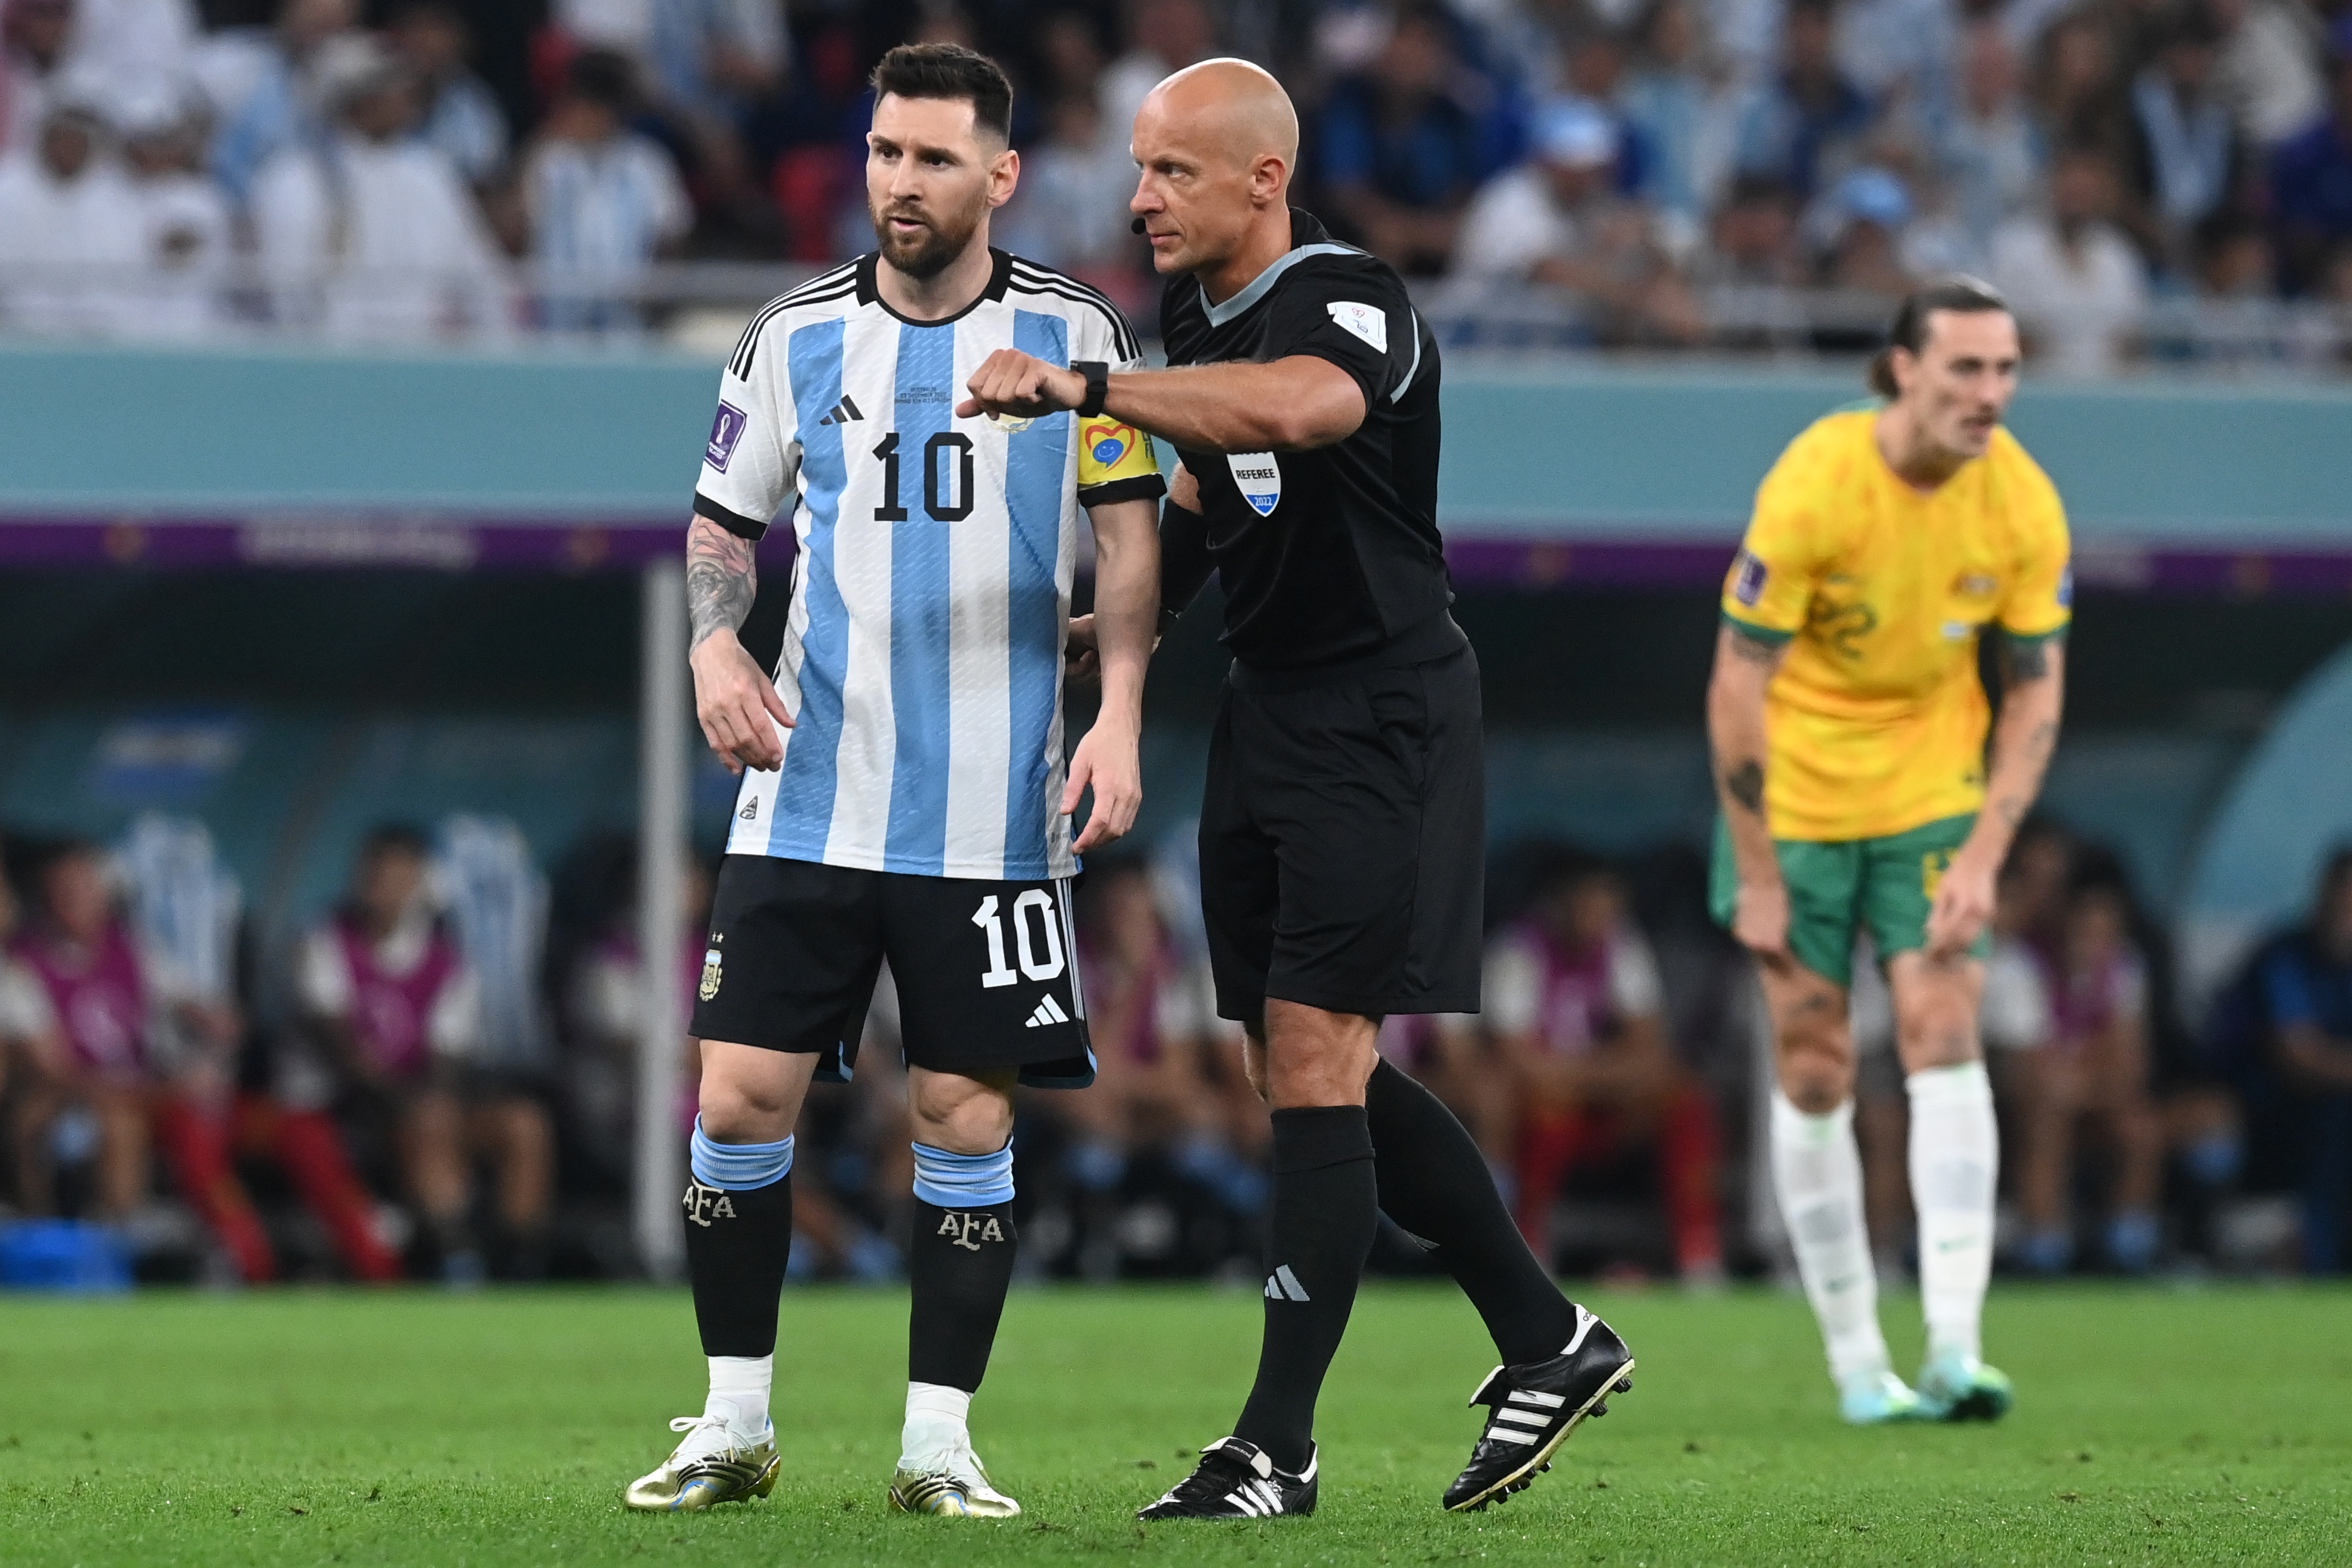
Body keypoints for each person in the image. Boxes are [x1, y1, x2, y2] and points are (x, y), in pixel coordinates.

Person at [961, 57, 1633, 1520]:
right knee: (1290, 1062)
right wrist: (1109, 632)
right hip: (1273, 711)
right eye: (1137, 169)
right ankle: (1547, 1333)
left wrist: (1086, 385)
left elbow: (1304, 411)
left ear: (1263, 178)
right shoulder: (1193, 311)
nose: (1137, 197)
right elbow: (1208, 498)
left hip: (1380, 715)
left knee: (1319, 1059)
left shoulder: (1344, 297)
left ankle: (1273, 1444)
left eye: (1170, 173)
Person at [621, 42, 1164, 1519]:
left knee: (964, 1115)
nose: (897, 182)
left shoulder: (1077, 332)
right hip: (808, 787)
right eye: (880, 153)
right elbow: (722, 523)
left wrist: (1117, 713)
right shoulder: (791, 334)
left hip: (994, 802)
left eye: (931, 158)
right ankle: (733, 1419)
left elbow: (1127, 538)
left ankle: (937, 1441)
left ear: (999, 175)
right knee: (736, 1093)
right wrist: (712, 653)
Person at [1707, 276, 2071, 1424]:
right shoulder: (1817, 478)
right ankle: (1860, 1366)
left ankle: (1955, 1345)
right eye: (1965, 368)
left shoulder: (2019, 504)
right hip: (1799, 802)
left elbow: (2032, 693)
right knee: (1814, 1061)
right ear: (1901, 368)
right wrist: (1756, 871)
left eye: (2004, 369)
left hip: (1930, 794)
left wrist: (1983, 854)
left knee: (1938, 1024)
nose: (1989, 394)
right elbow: (1733, 682)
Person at [1486, 855, 1724, 1282]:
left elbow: (1650, 1044)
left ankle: (1698, 1250)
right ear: (1563, 905)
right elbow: (1517, 1058)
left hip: (1602, 1099)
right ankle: (1527, 1247)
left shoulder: (1620, 944)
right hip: (1544, 1107)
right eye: (1593, 907)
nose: (1603, 919)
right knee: (1543, 1111)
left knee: (1683, 1098)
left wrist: (1587, 1078)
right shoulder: (1519, 950)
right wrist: (1604, 1074)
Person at [289, 825, 490, 1282]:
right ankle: (454, 1255)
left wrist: (429, 1100)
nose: (385, 888)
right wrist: (408, 1100)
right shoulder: (325, 940)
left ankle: (522, 1265)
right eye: (376, 875)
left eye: (400, 877)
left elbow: (447, 1056)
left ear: (421, 884)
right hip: (339, 1104)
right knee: (428, 1121)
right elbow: (335, 1039)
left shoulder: (446, 959)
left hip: (420, 1105)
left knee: (522, 1127)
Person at [2012, 878, 2164, 1273]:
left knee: (2139, 1128)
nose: (2090, 943)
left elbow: (2130, 1067)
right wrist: (2093, 1067)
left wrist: (2080, 1078)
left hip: (2087, 1100)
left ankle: (2127, 1249)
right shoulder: (2022, 966)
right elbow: (2030, 1074)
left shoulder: (2124, 969)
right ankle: (2044, 1251)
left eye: (2103, 935)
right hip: (2019, 1107)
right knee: (2046, 1122)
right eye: (2082, 930)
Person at [520, 48, 690, 333]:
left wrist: (651, 297)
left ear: (609, 112)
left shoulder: (647, 164)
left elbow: (671, 237)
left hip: (626, 326)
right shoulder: (549, 161)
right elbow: (515, 228)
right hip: (555, 329)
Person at [2258, 847, 2352, 1273]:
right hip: (2279, 1111)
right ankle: (2321, 1264)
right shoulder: (2288, 957)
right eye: (2342, 896)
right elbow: (2297, 1057)